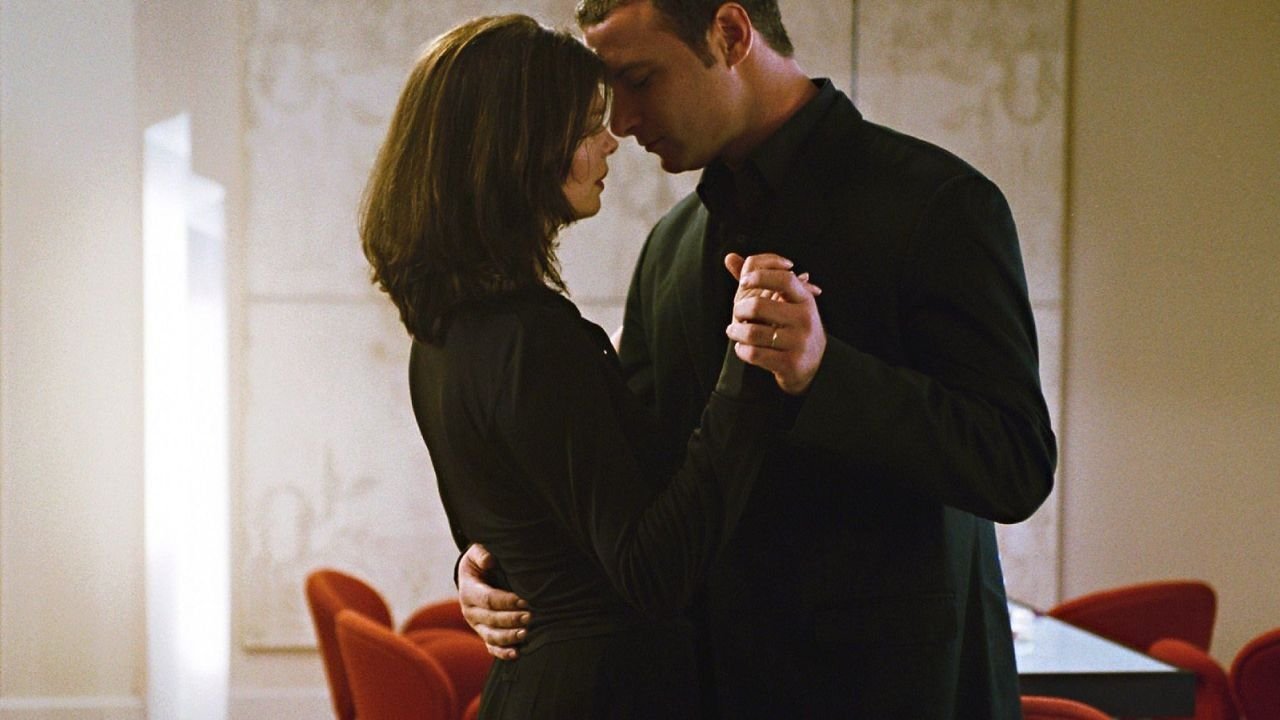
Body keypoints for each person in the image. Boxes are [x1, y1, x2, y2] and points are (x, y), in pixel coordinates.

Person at [457, 1, 1059, 718]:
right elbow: (631, 487)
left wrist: (824, 376)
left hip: (894, 695)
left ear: (731, 34)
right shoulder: (670, 245)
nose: (621, 120)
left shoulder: (939, 205)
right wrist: (501, 562)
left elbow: (1016, 465)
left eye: (640, 80)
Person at [359, 14, 819, 719]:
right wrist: (750, 366)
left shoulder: (446, 335)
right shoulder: (531, 336)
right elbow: (651, 571)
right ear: (518, 152)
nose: (611, 140)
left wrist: (477, 568)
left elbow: (514, 534)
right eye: (584, 128)